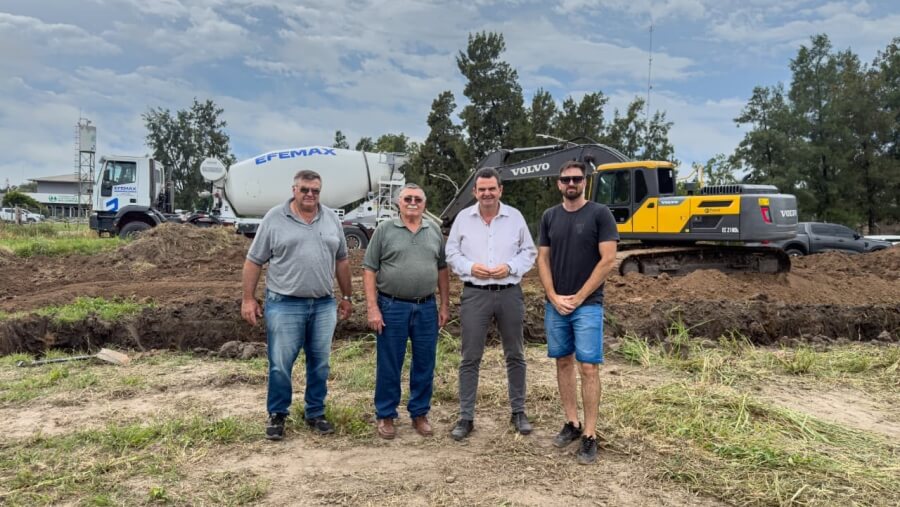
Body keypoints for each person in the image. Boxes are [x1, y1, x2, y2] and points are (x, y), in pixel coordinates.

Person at [241, 170, 353, 441]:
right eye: (304, 189)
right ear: (294, 189)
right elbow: (254, 260)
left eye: (315, 190)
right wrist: (248, 298)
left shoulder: (330, 219)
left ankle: (315, 411)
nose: (310, 195)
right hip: (284, 304)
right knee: (280, 363)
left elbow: (342, 260)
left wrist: (347, 297)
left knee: (320, 363)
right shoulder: (275, 218)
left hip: (324, 304)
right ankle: (278, 414)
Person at [445, 168, 537, 440]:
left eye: (491, 188)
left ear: (500, 190)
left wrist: (509, 267)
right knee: (470, 357)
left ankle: (518, 411)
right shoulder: (463, 219)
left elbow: (528, 251)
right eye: (482, 189)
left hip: (509, 292)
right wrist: (471, 267)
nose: (487, 193)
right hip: (475, 294)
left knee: (515, 354)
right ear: (475, 192)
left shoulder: (514, 218)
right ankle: (466, 416)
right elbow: (451, 252)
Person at [537, 160, 619, 464]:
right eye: (566, 179)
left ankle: (590, 434)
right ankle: (572, 423)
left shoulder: (600, 214)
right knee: (562, 362)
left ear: (584, 182)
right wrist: (553, 295)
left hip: (588, 305)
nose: (571, 183)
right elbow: (542, 260)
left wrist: (579, 297)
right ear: (558, 183)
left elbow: (608, 260)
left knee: (588, 367)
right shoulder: (549, 217)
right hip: (556, 305)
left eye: (577, 179)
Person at [363, 183, 450, 440]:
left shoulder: (433, 230)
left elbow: (442, 270)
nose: (413, 202)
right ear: (398, 203)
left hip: (426, 307)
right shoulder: (385, 230)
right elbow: (369, 268)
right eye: (407, 198)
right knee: (390, 362)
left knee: (425, 362)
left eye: (418, 199)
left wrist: (444, 304)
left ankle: (419, 413)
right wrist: (372, 308)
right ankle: (386, 415)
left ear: (424, 203)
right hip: (392, 307)